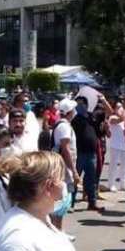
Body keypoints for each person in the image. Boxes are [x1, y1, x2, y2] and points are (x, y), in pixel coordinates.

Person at [52, 99, 81, 231]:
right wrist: (74, 171)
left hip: (63, 168)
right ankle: (56, 232)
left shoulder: (64, 125)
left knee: (62, 202)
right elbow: (65, 149)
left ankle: (59, 230)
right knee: (61, 201)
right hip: (63, 170)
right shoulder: (64, 126)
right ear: (69, 112)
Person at [107, 101, 125, 192]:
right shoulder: (112, 118)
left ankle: (123, 184)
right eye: (118, 107)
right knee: (114, 165)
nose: (120, 108)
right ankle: (111, 184)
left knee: (124, 166)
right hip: (115, 146)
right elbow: (120, 119)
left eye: (121, 107)